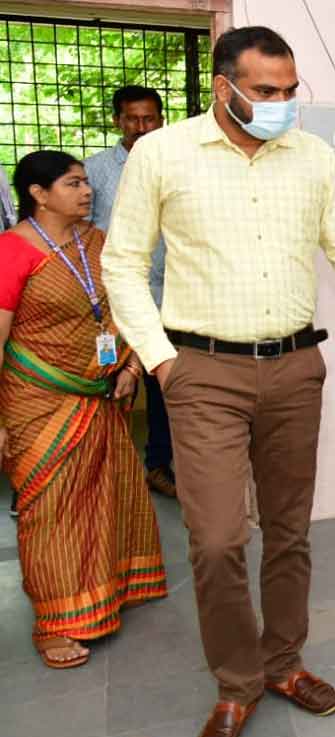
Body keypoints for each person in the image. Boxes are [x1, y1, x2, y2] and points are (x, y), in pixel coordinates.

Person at [100, 27, 335, 737]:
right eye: (266, 92)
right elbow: (122, 264)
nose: (282, 104)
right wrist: (165, 363)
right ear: (222, 87)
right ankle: (236, 683)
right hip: (202, 370)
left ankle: (284, 663)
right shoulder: (162, 154)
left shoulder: (314, 158)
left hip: (296, 368)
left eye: (291, 91)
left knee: (291, 532)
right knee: (216, 539)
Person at [1, 150, 166, 669]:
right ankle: (53, 624)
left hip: (104, 392)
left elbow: (127, 309)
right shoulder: (12, 251)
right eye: (73, 184)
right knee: (50, 514)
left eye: (86, 182)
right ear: (39, 194)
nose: (87, 191)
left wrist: (130, 368)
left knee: (104, 499)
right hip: (38, 400)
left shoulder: (100, 244)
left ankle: (105, 593)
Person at [84, 84, 175, 498]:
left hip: (168, 298)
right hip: (110, 301)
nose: (141, 126)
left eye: (149, 118)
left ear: (161, 119)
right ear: (118, 121)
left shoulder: (176, 161)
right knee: (109, 386)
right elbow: (81, 230)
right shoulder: (96, 170)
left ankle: (158, 465)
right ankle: (102, 473)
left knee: (163, 385)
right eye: (132, 119)